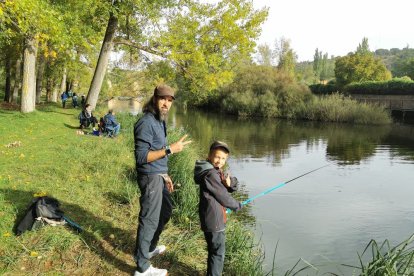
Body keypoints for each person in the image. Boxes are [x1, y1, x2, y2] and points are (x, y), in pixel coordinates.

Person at [133, 84, 192, 276]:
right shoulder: (146, 123)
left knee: (165, 212)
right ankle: (142, 268)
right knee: (149, 220)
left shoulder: (160, 121)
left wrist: (166, 175)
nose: (166, 103)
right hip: (150, 178)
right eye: (162, 99)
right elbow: (142, 157)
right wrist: (170, 149)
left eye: (169, 100)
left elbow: (158, 153)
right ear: (155, 99)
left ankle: (149, 248)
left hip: (159, 176)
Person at [194, 141, 242, 276]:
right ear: (209, 155)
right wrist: (237, 205)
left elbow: (228, 183)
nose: (219, 161)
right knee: (218, 253)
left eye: (223, 158)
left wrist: (230, 183)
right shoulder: (211, 174)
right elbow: (223, 196)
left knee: (213, 250)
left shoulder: (211, 170)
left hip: (210, 218)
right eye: (217, 157)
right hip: (214, 221)